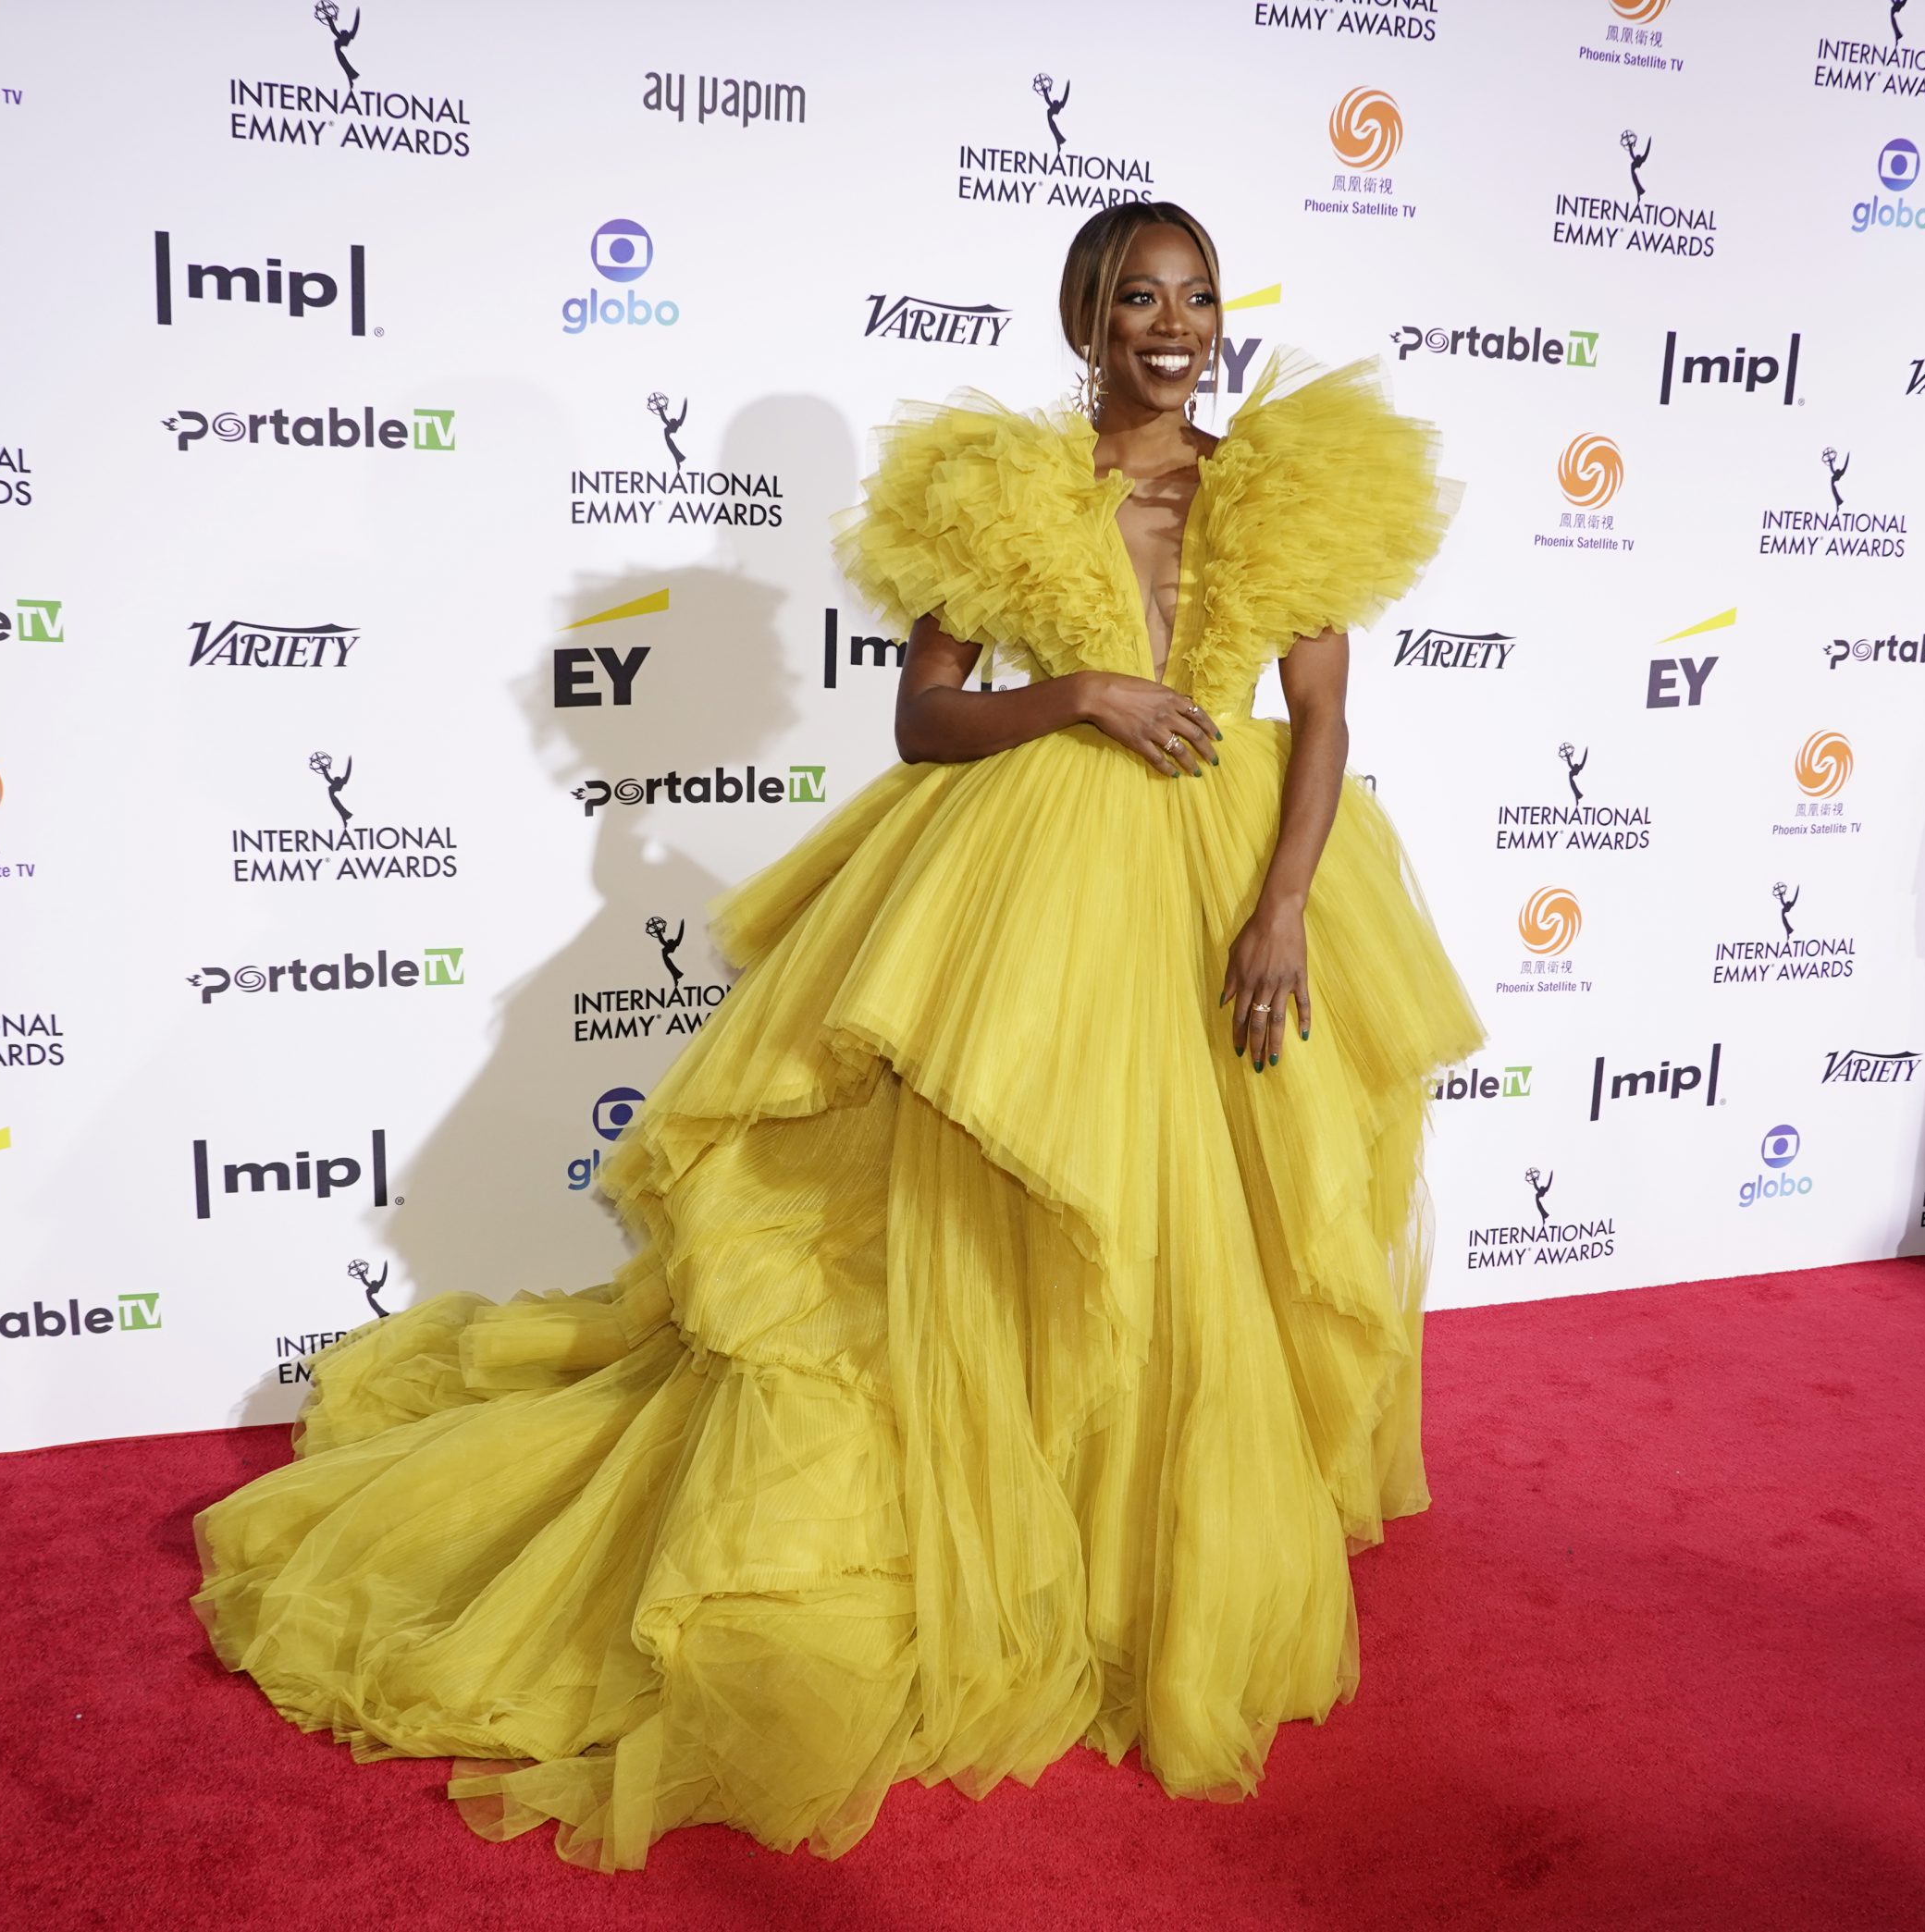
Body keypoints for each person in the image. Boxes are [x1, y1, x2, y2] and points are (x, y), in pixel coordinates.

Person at [191, 200, 1483, 1872]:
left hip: (1235, 878)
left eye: (1200, 295)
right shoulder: (1002, 489)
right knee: (1000, 1227)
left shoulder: (1286, 480)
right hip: (1040, 885)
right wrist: (1081, 695)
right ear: (1085, 319)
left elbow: (1322, 716)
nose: (1175, 324)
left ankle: (1148, 1548)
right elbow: (925, 718)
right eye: (1138, 297)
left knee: (1207, 1225)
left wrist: (1288, 901)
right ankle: (1015, 1538)